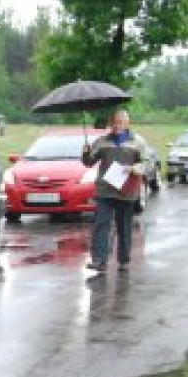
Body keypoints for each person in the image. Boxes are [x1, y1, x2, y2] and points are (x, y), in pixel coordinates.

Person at [81, 109, 146, 273]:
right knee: (101, 224)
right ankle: (99, 260)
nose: (117, 126)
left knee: (124, 226)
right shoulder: (102, 141)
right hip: (105, 191)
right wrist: (85, 153)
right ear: (110, 124)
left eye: (120, 122)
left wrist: (133, 168)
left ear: (126, 123)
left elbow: (148, 163)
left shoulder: (137, 142)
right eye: (114, 123)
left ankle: (123, 260)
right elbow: (89, 162)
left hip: (126, 192)